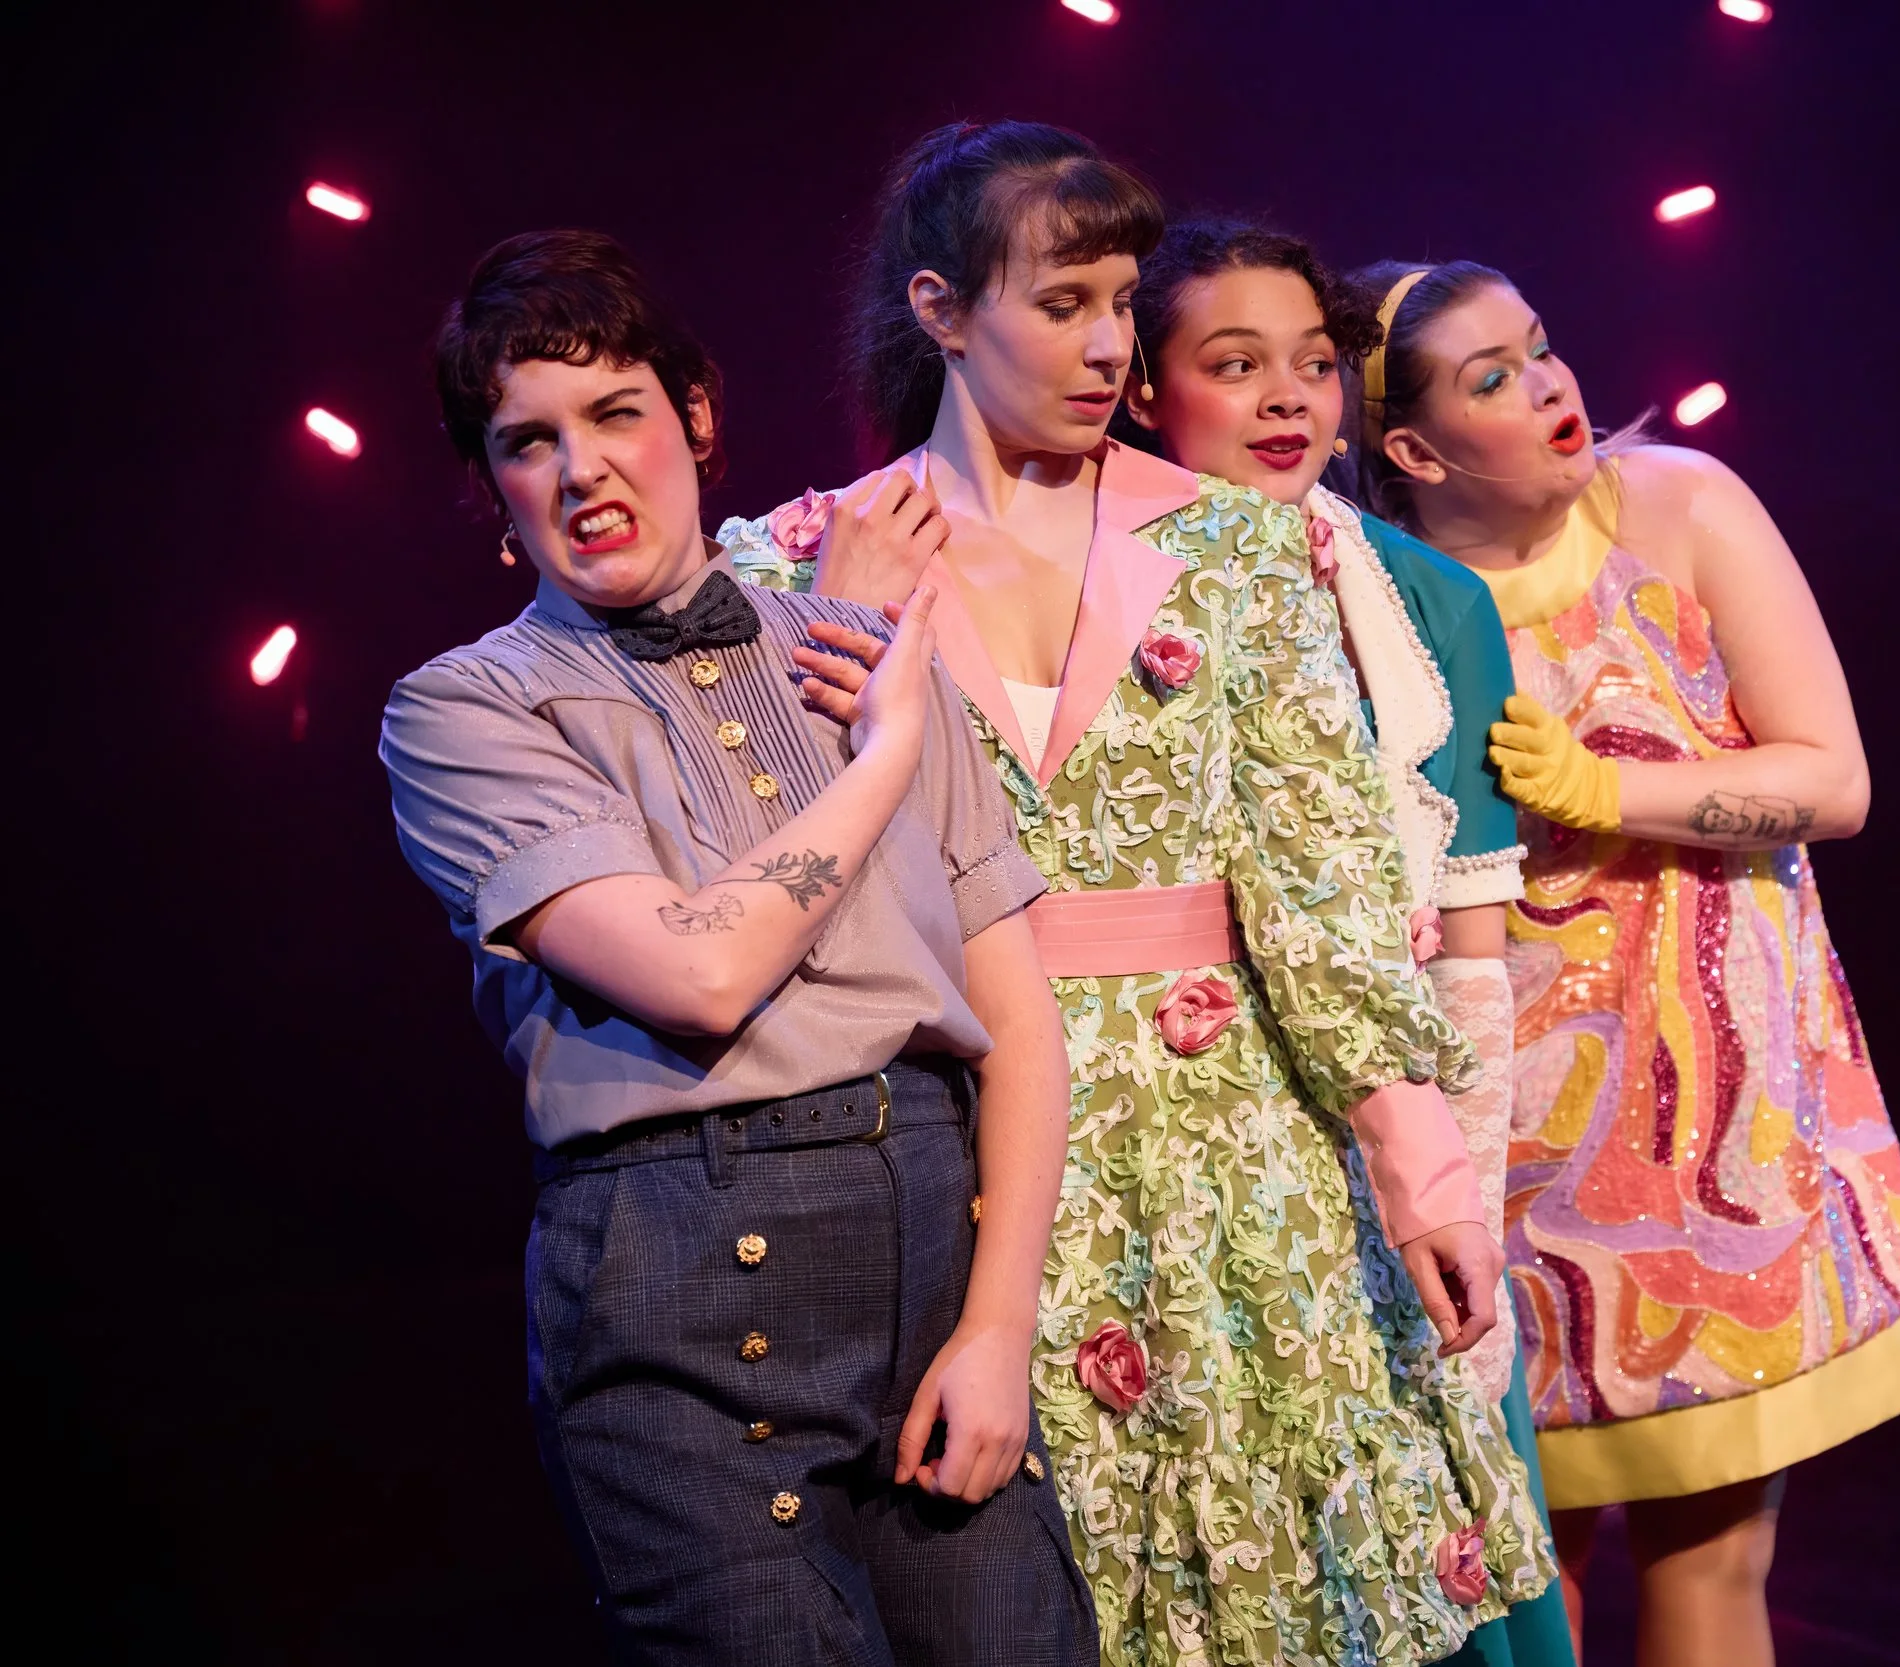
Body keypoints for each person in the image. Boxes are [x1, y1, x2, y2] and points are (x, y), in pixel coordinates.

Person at [718, 122, 1552, 1667]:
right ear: (941, 308)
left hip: (1243, 1155)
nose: (1110, 345)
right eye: (1063, 304)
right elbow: (773, 885)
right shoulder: (795, 559)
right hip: (970, 1159)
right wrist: (848, 624)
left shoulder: (1234, 550)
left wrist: (1421, 1161)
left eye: (1120, 302)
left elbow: (1324, 883)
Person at [379, 229, 1093, 1666]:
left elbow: (1021, 1021)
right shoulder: (466, 709)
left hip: (924, 1251)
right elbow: (701, 973)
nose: (583, 470)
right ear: (495, 493)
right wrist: (887, 749)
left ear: (695, 417)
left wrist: (1001, 1324)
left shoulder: (848, 643)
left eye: (616, 412)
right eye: (530, 441)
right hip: (685, 1289)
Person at [1348, 258, 1900, 1667]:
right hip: (1500, 1138)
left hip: (1717, 1129)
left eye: (1542, 348)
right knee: (1513, 1562)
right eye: (1493, 376)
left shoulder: (1678, 505)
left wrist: (1614, 789)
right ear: (1416, 449)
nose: (1553, 384)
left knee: (1713, 1550)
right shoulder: (1376, 595)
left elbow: (1835, 777)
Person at [1107, 217, 1571, 1667]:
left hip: (1401, 1136)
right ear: (1143, 388)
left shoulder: (1426, 598)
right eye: (1235, 365)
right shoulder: (1094, 580)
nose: (1289, 399)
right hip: (1183, 1127)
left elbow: (1472, 952)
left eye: (1314, 362)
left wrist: (1457, 1180)